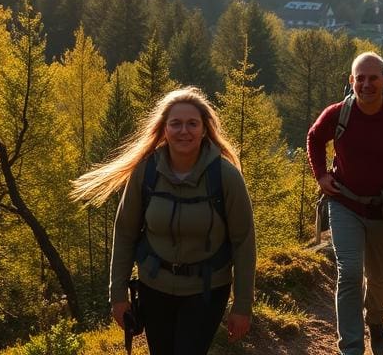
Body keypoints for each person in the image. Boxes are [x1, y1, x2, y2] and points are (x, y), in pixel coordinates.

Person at [71, 87, 255, 355]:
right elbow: (124, 233)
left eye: (192, 123)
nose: (184, 131)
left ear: (205, 129)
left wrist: (242, 306)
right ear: (164, 129)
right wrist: (118, 295)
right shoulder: (145, 172)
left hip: (206, 290)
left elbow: (244, 242)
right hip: (153, 288)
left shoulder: (225, 176)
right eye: (176, 124)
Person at [307, 52, 383, 355]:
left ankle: (376, 319)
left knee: (379, 277)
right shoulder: (338, 113)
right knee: (349, 272)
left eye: (373, 78)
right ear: (351, 81)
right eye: (359, 78)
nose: (366, 84)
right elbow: (314, 137)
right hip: (344, 203)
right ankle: (351, 347)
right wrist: (321, 175)